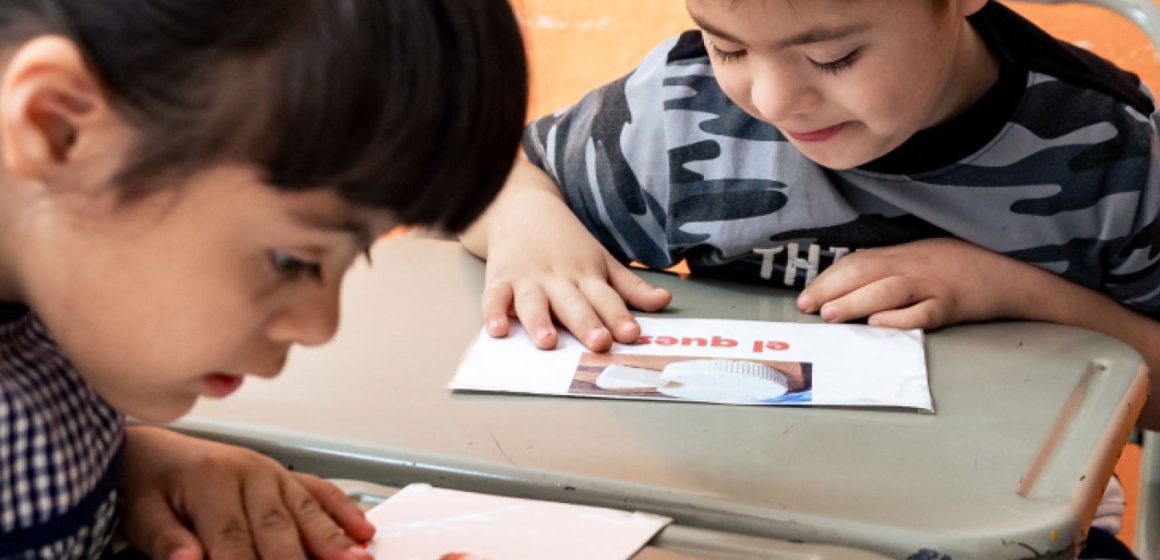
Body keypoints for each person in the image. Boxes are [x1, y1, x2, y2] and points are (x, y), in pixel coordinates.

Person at [460, 1, 1155, 554]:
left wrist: (1013, 292)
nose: (772, 98)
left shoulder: (1112, 153)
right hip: (727, 516)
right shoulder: (679, 111)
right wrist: (525, 217)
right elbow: (475, 180)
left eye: (834, 56)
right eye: (726, 45)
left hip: (1001, 532)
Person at [0, 0, 527, 559]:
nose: (322, 326)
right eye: (294, 260)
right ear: (61, 127)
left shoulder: (64, 309)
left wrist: (129, 462)